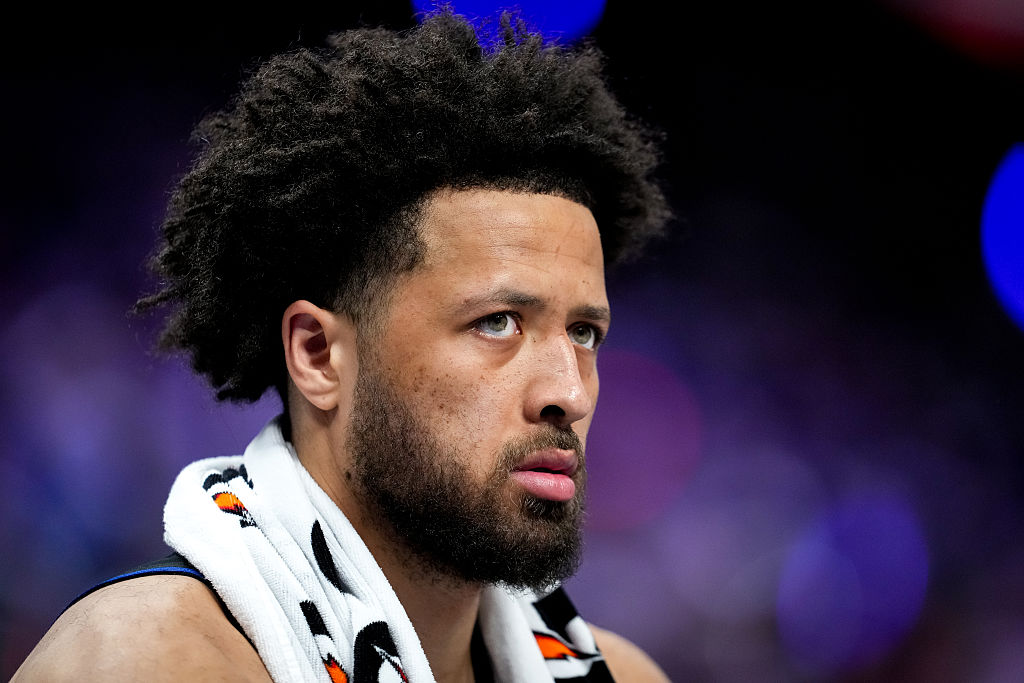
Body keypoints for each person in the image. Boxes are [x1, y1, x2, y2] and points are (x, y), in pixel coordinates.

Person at [13, 8, 672, 682]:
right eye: (498, 322)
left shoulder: (625, 674)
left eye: (584, 332)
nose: (568, 390)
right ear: (318, 355)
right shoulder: (145, 659)